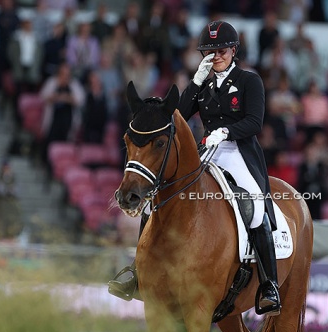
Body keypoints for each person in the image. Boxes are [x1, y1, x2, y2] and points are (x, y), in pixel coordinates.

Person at [109, 20, 281, 315]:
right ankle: (137, 274)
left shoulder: (250, 80)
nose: (217, 55)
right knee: (155, 202)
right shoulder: (204, 83)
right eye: (210, 51)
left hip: (238, 150)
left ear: (234, 50)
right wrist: (197, 82)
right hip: (206, 151)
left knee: (253, 204)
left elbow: (255, 121)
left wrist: (227, 132)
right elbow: (177, 115)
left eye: (222, 50)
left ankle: (269, 285)